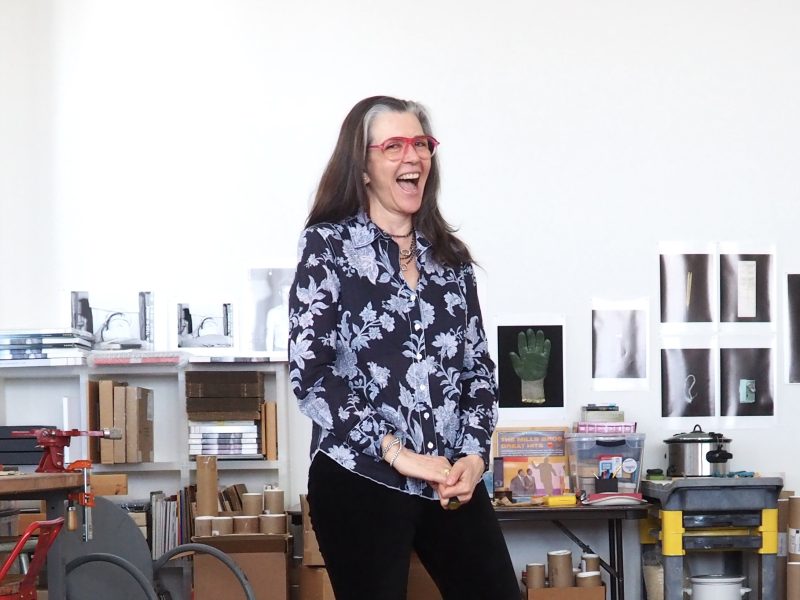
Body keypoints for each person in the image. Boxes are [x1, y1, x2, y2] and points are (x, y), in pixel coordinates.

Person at [288, 95, 518, 600]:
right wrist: (398, 453)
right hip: (360, 475)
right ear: (363, 167)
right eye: (393, 146)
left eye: (420, 144)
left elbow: (478, 370)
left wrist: (474, 456)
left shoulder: (451, 259)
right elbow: (312, 376)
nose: (412, 156)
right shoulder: (328, 248)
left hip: (448, 480)